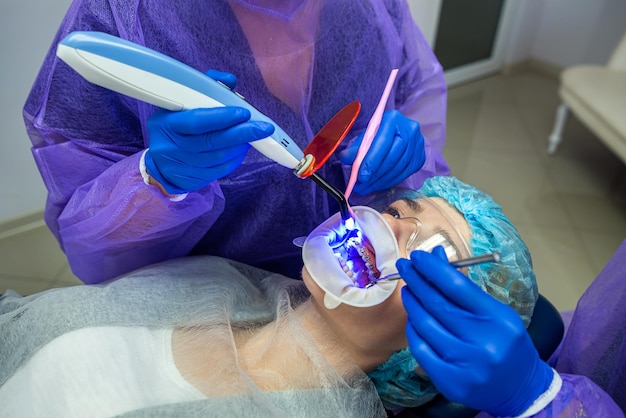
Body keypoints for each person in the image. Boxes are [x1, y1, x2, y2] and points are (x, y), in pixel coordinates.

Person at [23, 0, 450, 284]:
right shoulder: (120, 17)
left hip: (355, 298)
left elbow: (418, 101)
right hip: (211, 316)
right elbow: (92, 250)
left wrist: (413, 155)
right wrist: (153, 183)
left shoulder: (373, 8)